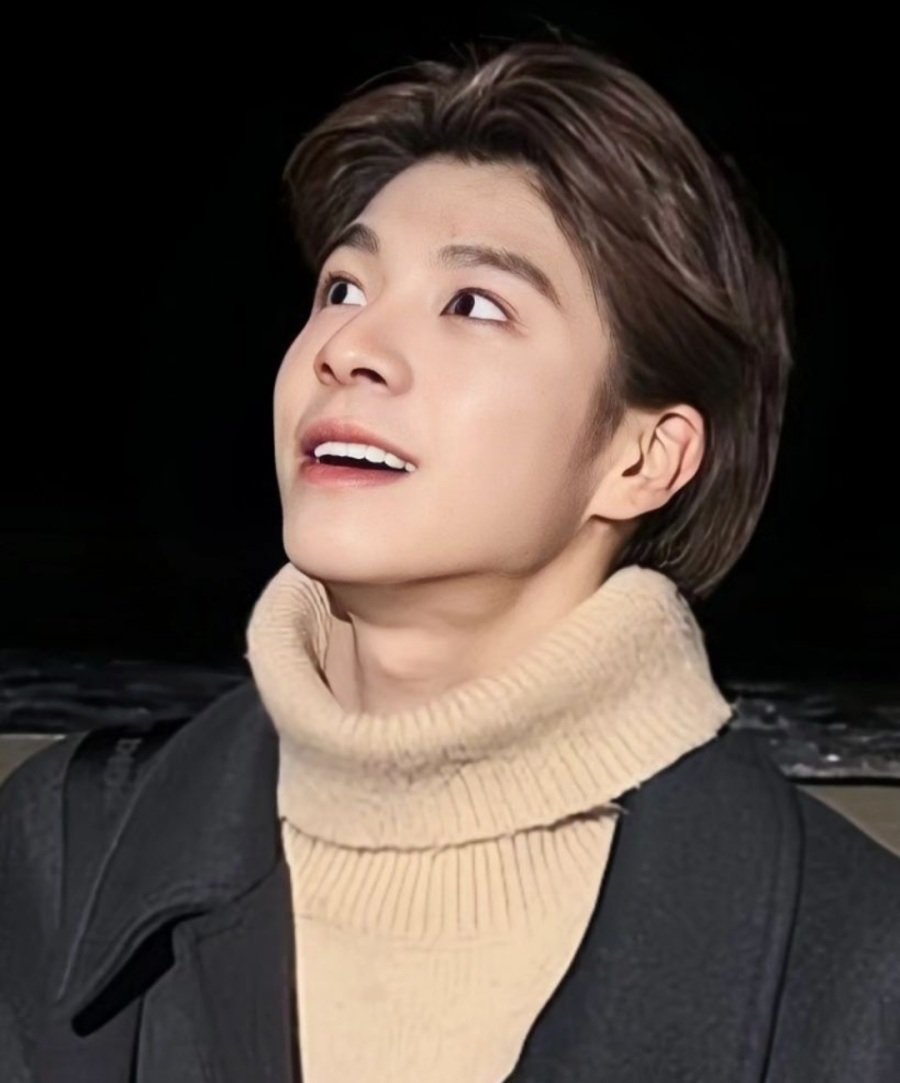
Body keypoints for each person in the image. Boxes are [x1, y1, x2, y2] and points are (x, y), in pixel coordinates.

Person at [2, 32, 898, 1083]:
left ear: (643, 458)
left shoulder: (854, 971)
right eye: (343, 288)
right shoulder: (60, 859)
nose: (348, 348)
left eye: (473, 305)